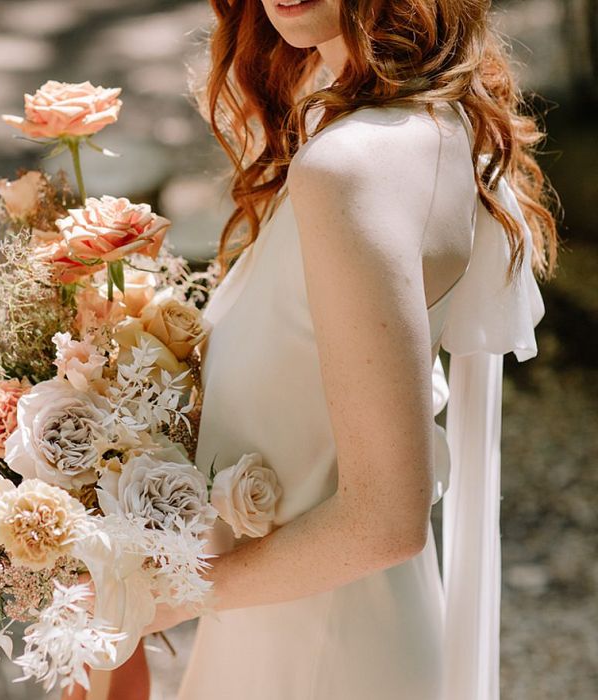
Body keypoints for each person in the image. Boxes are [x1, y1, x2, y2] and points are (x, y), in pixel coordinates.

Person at [69, 0, 558, 698]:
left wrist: (155, 596)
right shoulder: (394, 116)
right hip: (298, 613)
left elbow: (385, 521)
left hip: (317, 649)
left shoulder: (352, 165)